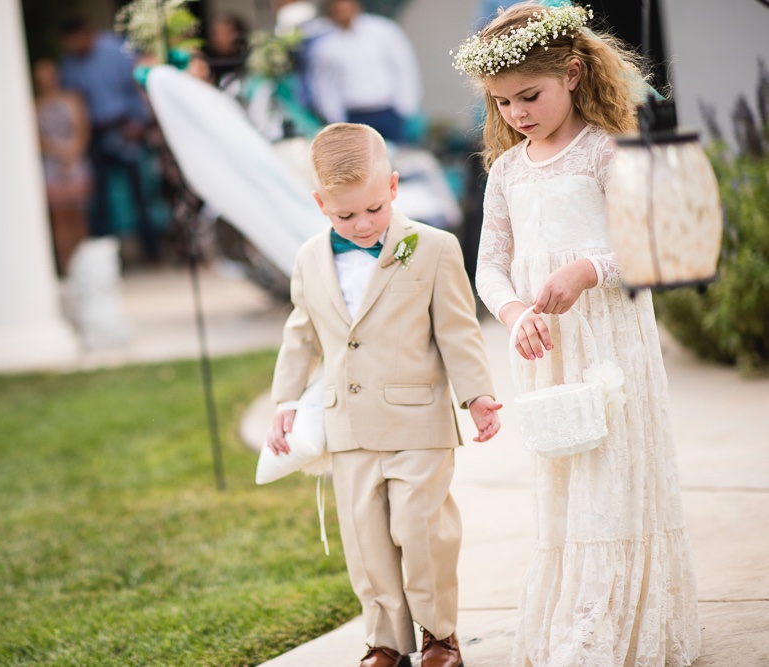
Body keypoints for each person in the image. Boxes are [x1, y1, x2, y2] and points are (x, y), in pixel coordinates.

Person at [454, 3, 701, 665]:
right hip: (547, 346)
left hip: (608, 343)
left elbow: (645, 246)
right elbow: (489, 267)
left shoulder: (603, 151)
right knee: (565, 476)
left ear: (570, 73)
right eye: (501, 103)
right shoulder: (506, 171)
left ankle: (603, 625)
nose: (517, 114)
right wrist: (514, 314)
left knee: (611, 473)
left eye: (529, 96)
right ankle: (572, 611)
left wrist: (587, 268)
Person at [267, 123, 502, 667]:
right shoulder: (308, 260)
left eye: (373, 209)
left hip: (418, 420)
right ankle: (385, 642)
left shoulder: (434, 248)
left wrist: (477, 396)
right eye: (344, 215)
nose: (362, 225)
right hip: (348, 424)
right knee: (366, 539)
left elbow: (457, 330)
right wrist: (284, 401)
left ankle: (439, 634)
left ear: (393, 187)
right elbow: (301, 331)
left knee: (421, 530)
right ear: (320, 203)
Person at [59, 16, 161, 262]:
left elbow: (135, 85)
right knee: (100, 198)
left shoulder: (116, 50)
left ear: (86, 33)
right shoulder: (70, 64)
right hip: (95, 132)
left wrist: (138, 122)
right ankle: (107, 258)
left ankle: (152, 251)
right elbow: (73, 100)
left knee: (140, 192)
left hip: (125, 126)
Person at [306, 0, 421, 143]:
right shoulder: (325, 44)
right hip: (353, 115)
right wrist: (334, 119)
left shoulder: (383, 30)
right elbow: (323, 85)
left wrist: (406, 107)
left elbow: (404, 67)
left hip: (387, 111)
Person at [33, 58, 92, 276]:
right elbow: (35, 137)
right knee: (59, 218)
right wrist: (58, 152)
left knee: (78, 216)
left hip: (74, 161)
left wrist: (71, 152)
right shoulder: (35, 105)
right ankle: (66, 265)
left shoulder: (72, 100)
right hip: (51, 163)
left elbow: (83, 129)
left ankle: (84, 264)